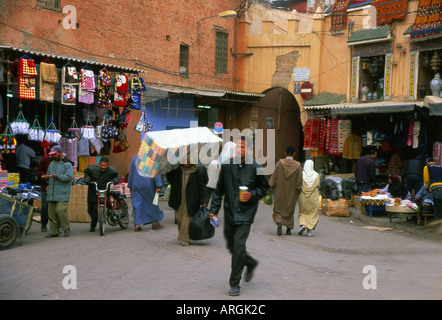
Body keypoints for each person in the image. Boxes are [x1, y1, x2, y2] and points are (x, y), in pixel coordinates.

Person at [210, 137, 270, 296]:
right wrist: (214, 210)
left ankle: (234, 283)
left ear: (249, 150)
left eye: (242, 147)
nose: (239, 150)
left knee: (238, 246)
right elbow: (219, 189)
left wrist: (251, 194)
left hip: (246, 213)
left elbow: (265, 188)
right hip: (230, 212)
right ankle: (250, 263)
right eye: (237, 147)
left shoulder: (255, 167)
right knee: (231, 245)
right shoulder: (227, 166)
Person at [166, 155, 208, 246]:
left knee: (187, 217)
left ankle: (184, 238)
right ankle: (185, 235)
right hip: (179, 198)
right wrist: (170, 166)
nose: (187, 161)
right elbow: (170, 179)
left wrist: (204, 200)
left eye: (189, 159)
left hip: (192, 199)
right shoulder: (177, 170)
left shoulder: (197, 171)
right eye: (185, 159)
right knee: (180, 217)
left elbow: (202, 186)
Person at [268, 146, 302, 236]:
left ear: (285, 153)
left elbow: (274, 177)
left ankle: (279, 221)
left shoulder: (279, 164)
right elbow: (299, 181)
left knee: (279, 209)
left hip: (280, 191)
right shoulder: (298, 166)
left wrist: (270, 188)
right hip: (292, 193)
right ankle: (288, 229)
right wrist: (299, 190)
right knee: (289, 210)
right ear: (294, 154)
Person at [42, 145, 74, 238]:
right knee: (51, 212)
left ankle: (66, 228)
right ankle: (54, 231)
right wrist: (45, 178)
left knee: (61, 211)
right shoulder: (52, 164)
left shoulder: (67, 164)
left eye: (55, 154)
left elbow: (68, 177)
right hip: (52, 192)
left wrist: (58, 177)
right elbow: (48, 175)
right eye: (52, 154)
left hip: (62, 192)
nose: (53, 156)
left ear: (60, 152)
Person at [128, 155, 164, 232]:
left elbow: (131, 172)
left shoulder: (134, 158)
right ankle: (155, 222)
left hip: (136, 184)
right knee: (152, 203)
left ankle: (137, 225)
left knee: (137, 204)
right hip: (148, 184)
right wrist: (158, 185)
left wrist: (130, 184)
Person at [84, 157, 119, 232]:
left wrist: (115, 180)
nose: (103, 167)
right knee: (91, 209)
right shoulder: (92, 168)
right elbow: (86, 173)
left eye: (105, 166)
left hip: (105, 189)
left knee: (100, 208)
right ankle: (94, 221)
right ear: (99, 164)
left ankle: (94, 225)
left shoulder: (112, 170)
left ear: (108, 165)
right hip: (94, 190)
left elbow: (116, 175)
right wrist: (87, 179)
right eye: (102, 165)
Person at [36, 143, 58, 232]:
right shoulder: (44, 159)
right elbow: (39, 171)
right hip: (45, 187)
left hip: (56, 187)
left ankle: (57, 225)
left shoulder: (61, 161)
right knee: (45, 206)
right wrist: (43, 176)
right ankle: (44, 224)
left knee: (57, 207)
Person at [297, 159, 320, 237]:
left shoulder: (301, 174)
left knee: (303, 212)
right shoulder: (316, 175)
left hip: (303, 196)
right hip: (313, 197)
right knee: (312, 213)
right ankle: (309, 231)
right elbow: (318, 185)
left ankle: (303, 224)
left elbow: (298, 184)